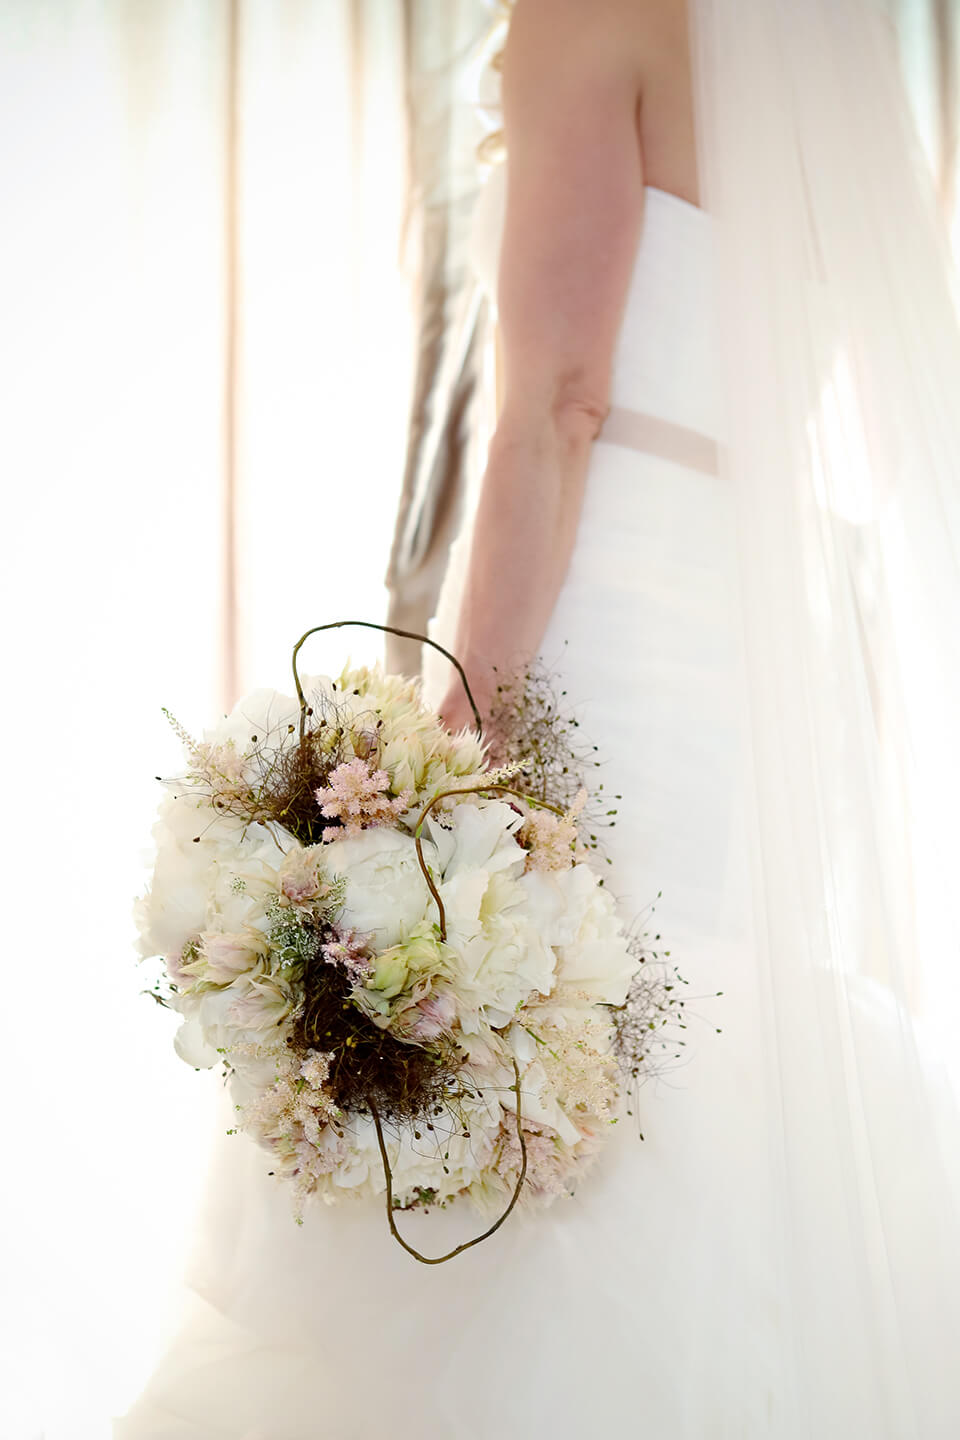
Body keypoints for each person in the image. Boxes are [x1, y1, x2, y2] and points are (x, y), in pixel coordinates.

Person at [116, 0, 960, 1434]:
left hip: (610, 607)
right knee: (685, 1038)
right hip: (751, 626)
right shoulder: (844, 61)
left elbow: (555, 405)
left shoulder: (597, 10)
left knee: (518, 1013)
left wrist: (453, 732)